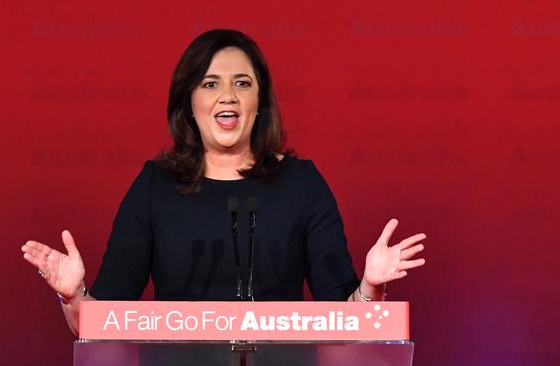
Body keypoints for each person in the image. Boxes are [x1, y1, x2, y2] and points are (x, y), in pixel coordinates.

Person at [21, 29, 426, 338]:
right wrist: (73, 296)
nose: (227, 95)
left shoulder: (302, 185)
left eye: (242, 83)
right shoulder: (155, 186)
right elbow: (99, 326)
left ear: (259, 104)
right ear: (189, 104)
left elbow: (349, 325)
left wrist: (371, 286)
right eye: (210, 83)